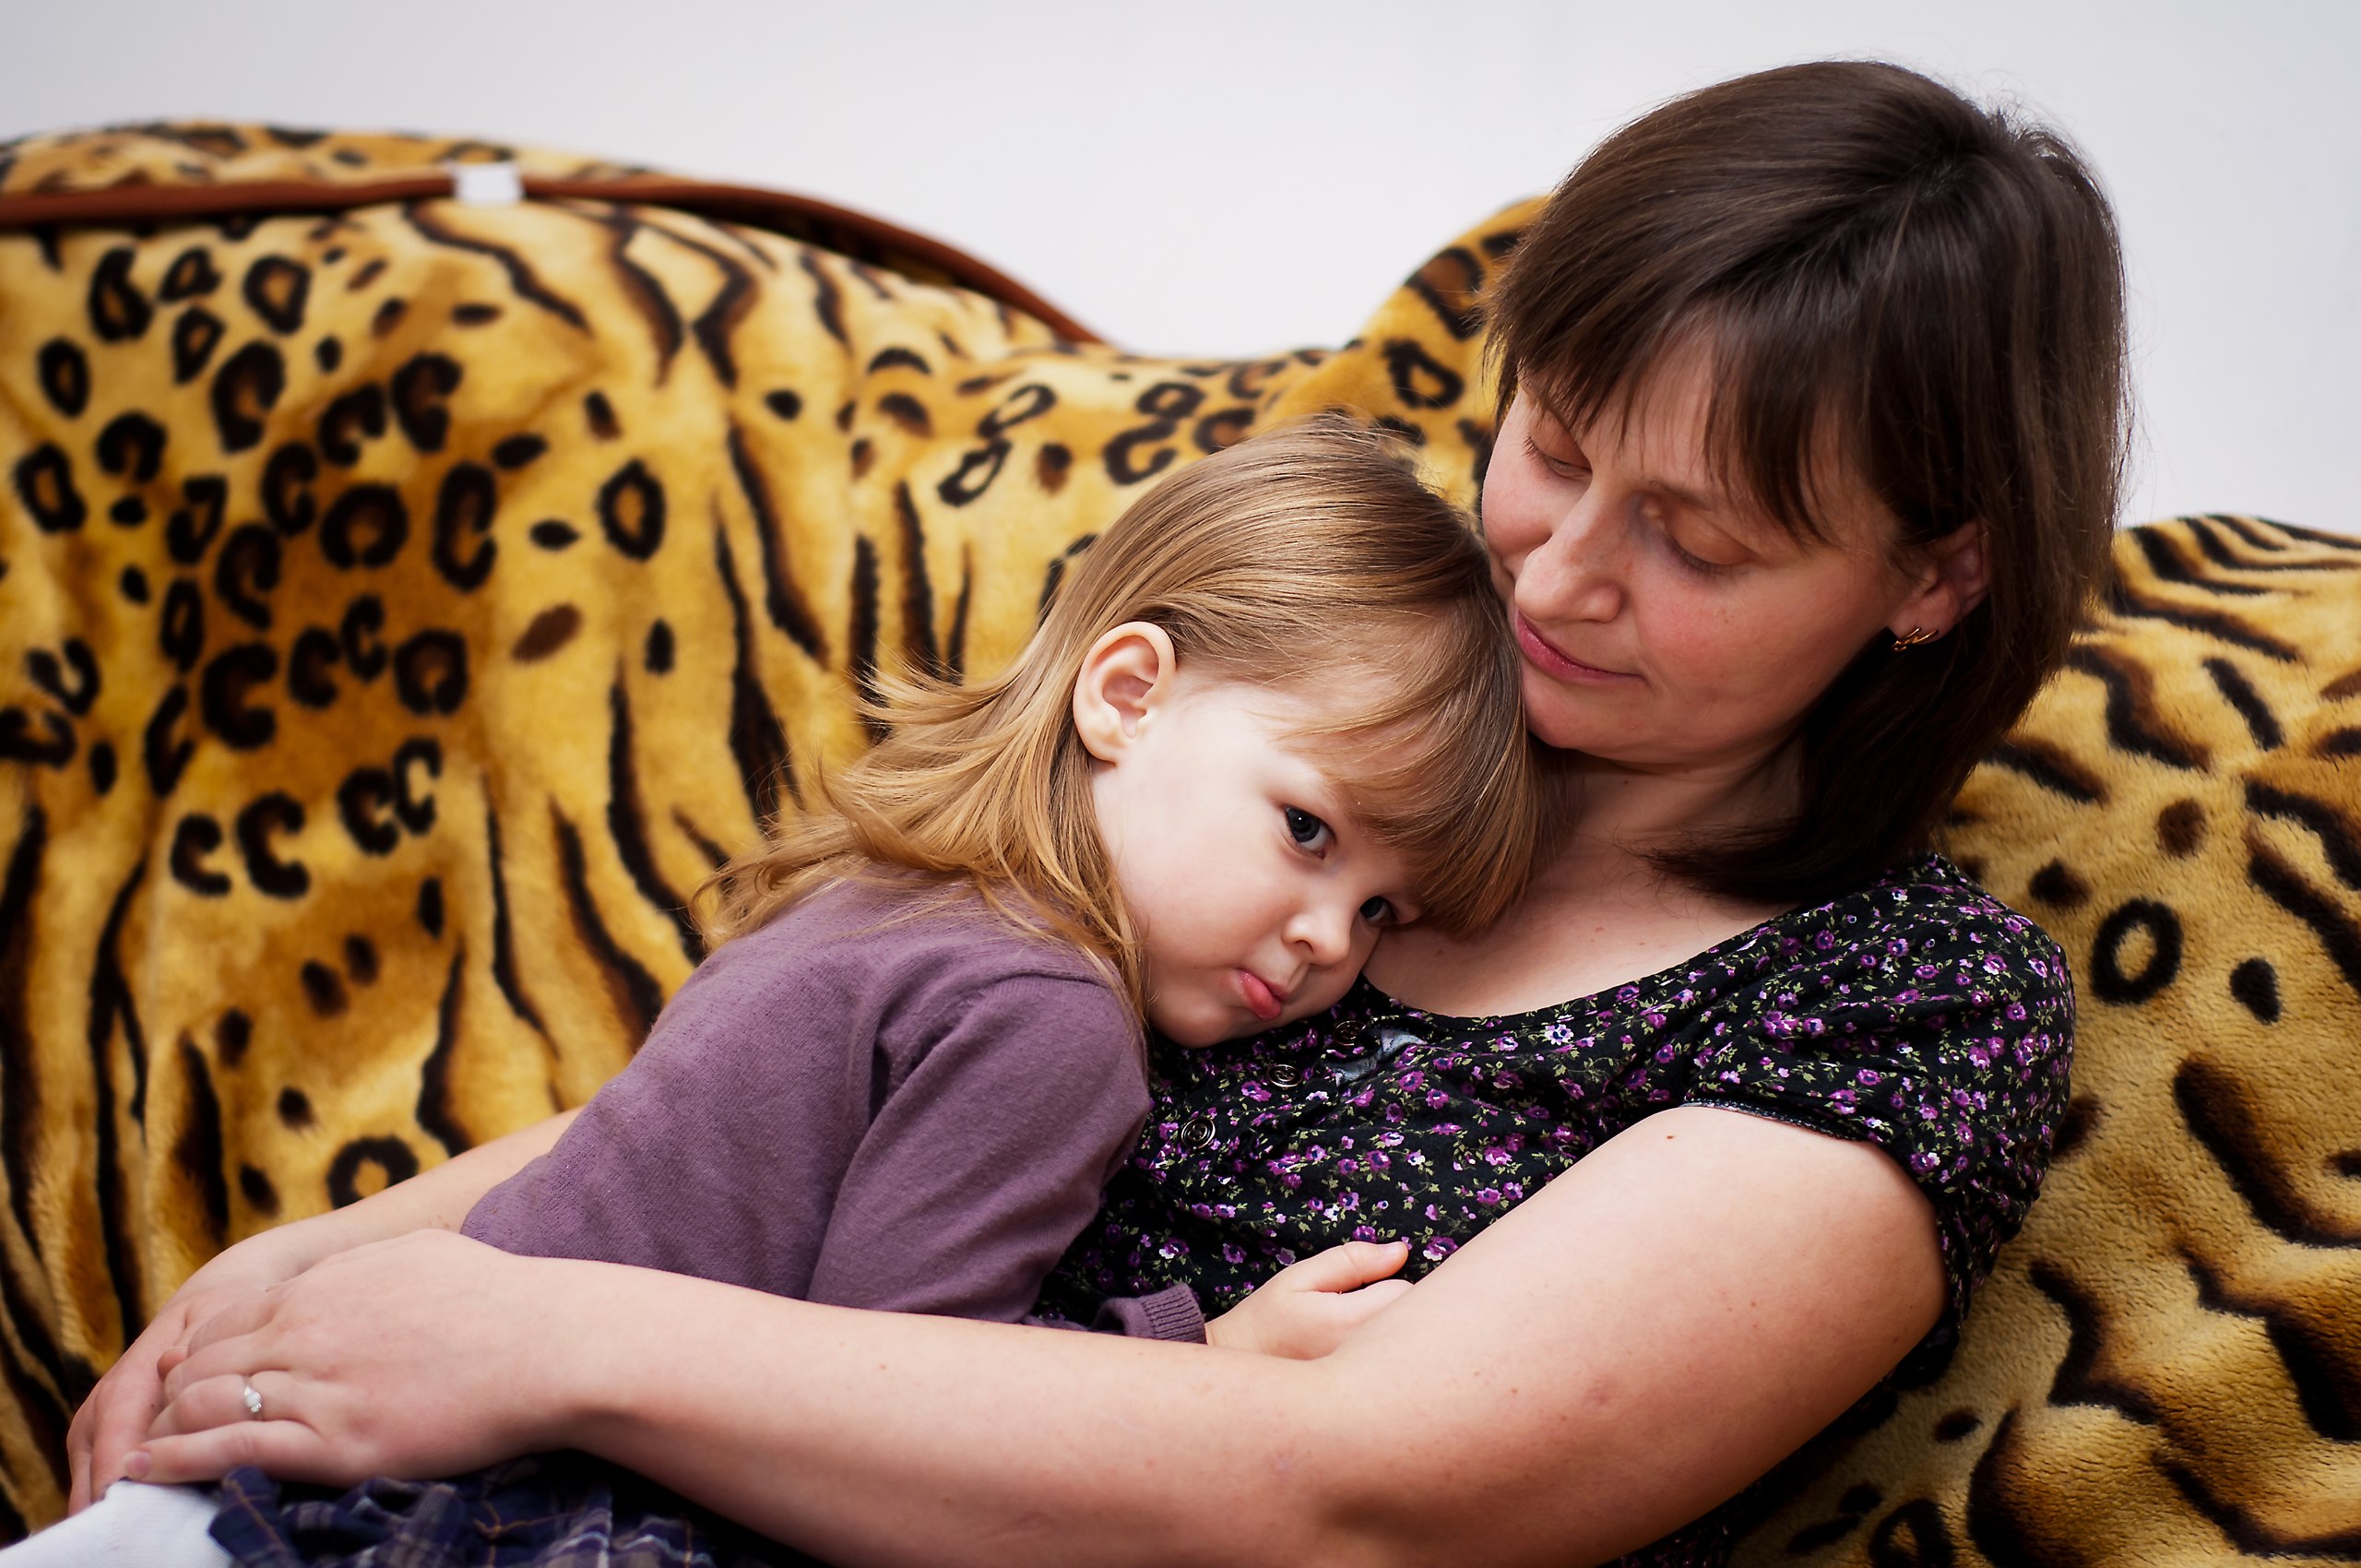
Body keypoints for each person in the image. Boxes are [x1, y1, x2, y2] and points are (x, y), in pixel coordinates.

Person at [61, 58, 2126, 1568]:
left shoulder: (1897, 1002)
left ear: (1933, 577)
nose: (1559, 576)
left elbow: (1374, 1495)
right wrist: (301, 1284)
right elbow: (797, 1062)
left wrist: (541, 1342)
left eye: (1698, 539)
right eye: (1558, 448)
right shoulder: (1328, 703)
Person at [11, 420, 1543, 1564]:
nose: (1328, 940)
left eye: (1382, 909)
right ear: (1126, 694)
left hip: (288, 1468)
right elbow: (898, 1397)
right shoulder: (1055, 1020)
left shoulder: (886, 895)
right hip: (478, 1510)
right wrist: (1203, 1356)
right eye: (1308, 832)